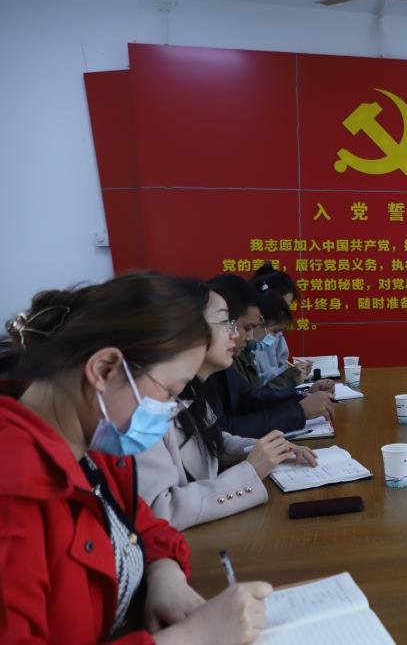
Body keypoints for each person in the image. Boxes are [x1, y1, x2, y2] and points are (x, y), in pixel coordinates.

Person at [0, 273, 271, 644]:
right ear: (104, 369)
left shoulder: (93, 445)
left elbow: (142, 523)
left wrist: (165, 576)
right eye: (170, 392)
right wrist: (194, 637)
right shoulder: (14, 490)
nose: (171, 409)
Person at [135, 283, 318, 531]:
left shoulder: (191, 388)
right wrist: (250, 471)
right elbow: (160, 510)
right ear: (185, 330)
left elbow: (213, 438)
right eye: (225, 323)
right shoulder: (142, 407)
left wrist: (268, 450)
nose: (238, 335)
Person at [204, 275, 333, 438]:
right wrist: (298, 412)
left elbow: (248, 398)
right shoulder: (193, 377)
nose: (249, 337)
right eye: (247, 327)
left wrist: (302, 397)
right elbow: (222, 431)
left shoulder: (223, 365)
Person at [249, 265, 312, 384]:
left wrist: (293, 372)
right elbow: (252, 384)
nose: (284, 312)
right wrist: (289, 376)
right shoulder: (242, 341)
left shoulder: (273, 333)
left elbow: (282, 365)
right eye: (282, 306)